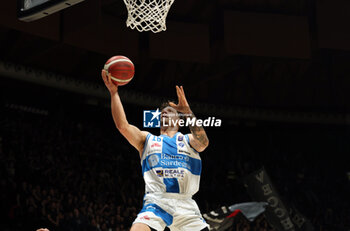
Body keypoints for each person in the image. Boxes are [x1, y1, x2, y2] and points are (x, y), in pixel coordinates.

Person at [102, 70, 210, 231]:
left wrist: (187, 110)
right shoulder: (147, 139)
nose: (166, 114)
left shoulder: (188, 140)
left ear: (179, 120)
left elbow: (204, 143)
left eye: (171, 112)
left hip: (186, 205)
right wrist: (114, 93)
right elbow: (122, 126)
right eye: (163, 113)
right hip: (157, 202)